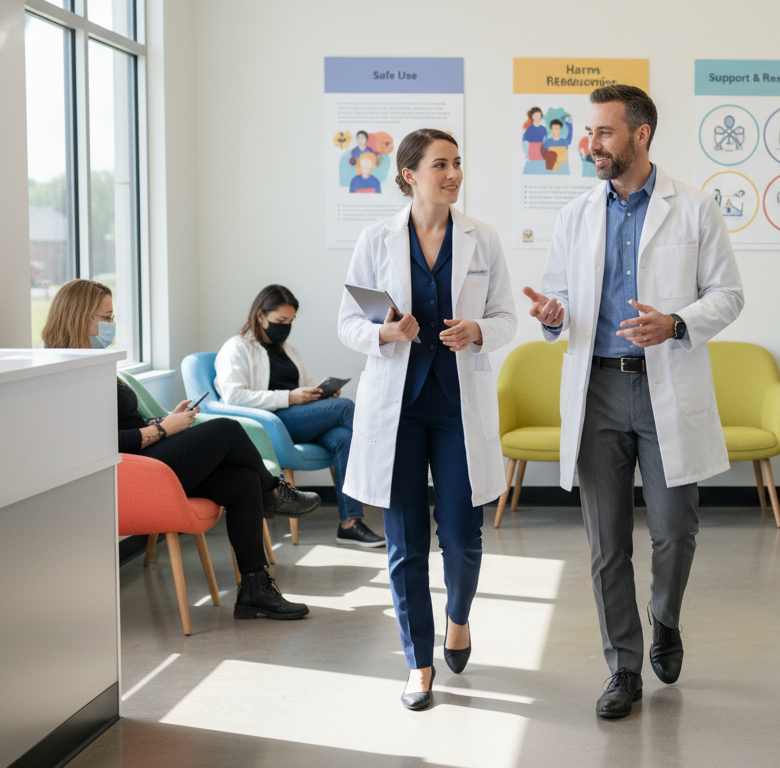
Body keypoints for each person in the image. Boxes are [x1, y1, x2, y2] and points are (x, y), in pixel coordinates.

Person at [523, 84, 744, 719]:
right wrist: (551, 314)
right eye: (590, 133)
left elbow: (728, 296)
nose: (590, 144)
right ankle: (622, 666)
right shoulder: (576, 214)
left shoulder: (695, 208)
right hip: (595, 388)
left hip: (663, 383)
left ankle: (665, 617)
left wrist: (675, 323)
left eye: (604, 133)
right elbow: (559, 304)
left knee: (676, 531)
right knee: (605, 543)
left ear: (640, 135)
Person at [337, 128, 516, 710]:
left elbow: (507, 317)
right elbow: (350, 322)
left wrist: (480, 331)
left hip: (458, 404)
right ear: (410, 173)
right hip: (399, 409)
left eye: (458, 163)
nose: (453, 174)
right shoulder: (375, 239)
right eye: (441, 164)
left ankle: (458, 617)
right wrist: (385, 332)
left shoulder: (482, 239)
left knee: (463, 537)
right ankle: (418, 663)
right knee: (405, 543)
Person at [43, 279, 318, 621]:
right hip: (132, 471)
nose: (111, 325)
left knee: (242, 479)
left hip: (147, 457)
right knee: (228, 429)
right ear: (78, 317)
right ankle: (274, 492)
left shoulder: (97, 363)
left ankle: (254, 588)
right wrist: (160, 430)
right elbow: (98, 442)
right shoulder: (63, 372)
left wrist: (164, 420)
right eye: (106, 316)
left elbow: (125, 422)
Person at [215, 284, 384, 548]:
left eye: (290, 321)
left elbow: (307, 382)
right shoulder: (237, 348)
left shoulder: (288, 350)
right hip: (273, 423)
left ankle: (349, 524)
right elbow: (233, 397)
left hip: (300, 418)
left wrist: (322, 394)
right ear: (260, 315)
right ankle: (382, 465)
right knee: (346, 408)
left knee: (342, 437)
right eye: (280, 321)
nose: (285, 327)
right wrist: (289, 397)